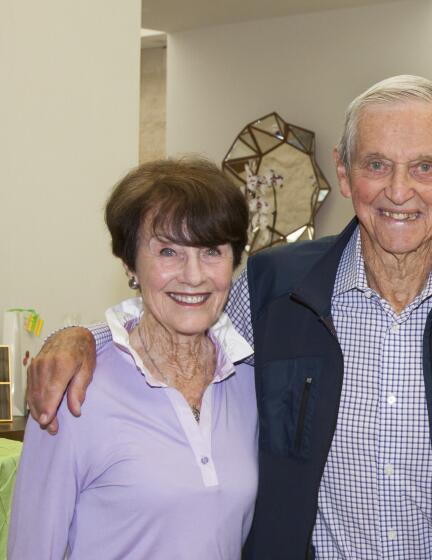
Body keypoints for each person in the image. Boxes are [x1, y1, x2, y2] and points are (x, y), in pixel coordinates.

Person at [27, 76, 432, 559]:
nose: (399, 191)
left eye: (425, 167)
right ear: (343, 172)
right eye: (377, 165)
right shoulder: (273, 287)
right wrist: (81, 339)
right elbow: (180, 315)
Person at [10, 159, 257, 558]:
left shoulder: (247, 380)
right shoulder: (75, 392)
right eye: (168, 251)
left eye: (212, 250)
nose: (193, 275)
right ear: (129, 265)